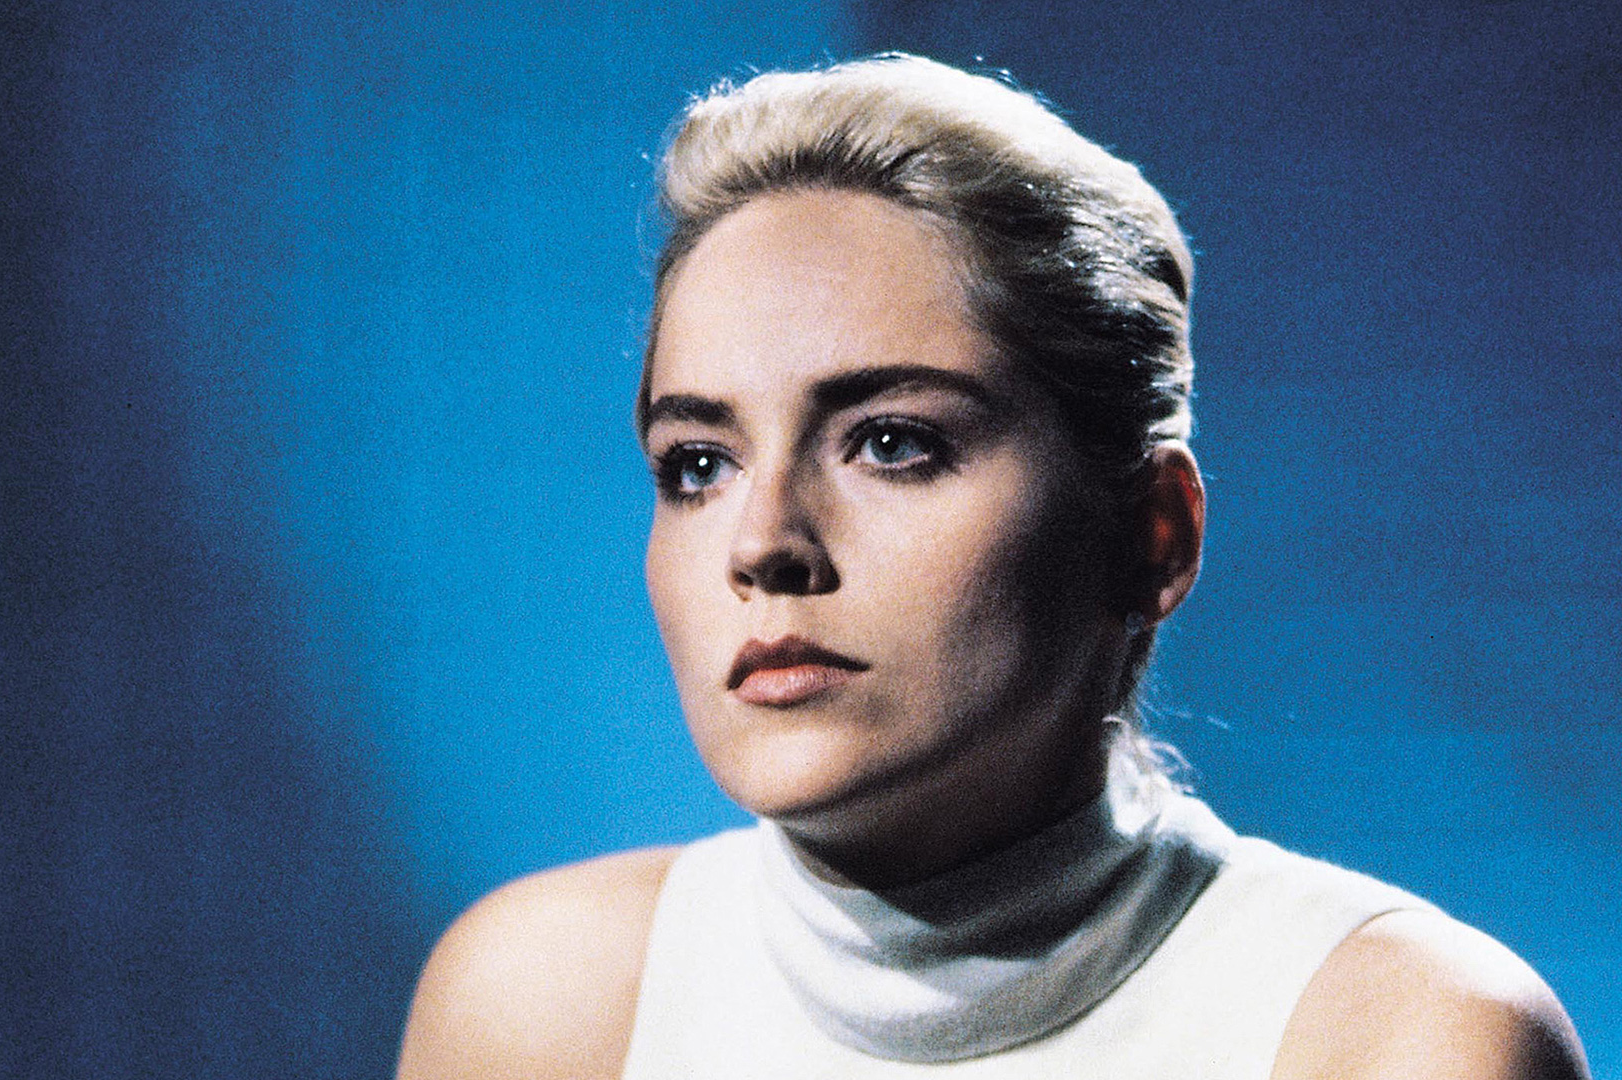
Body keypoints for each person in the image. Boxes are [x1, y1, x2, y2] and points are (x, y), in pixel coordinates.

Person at [394, 54, 1589, 1079]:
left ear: (1153, 534)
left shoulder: (1399, 1039)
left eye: (892, 443)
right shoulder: (539, 1008)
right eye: (699, 464)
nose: (761, 546)